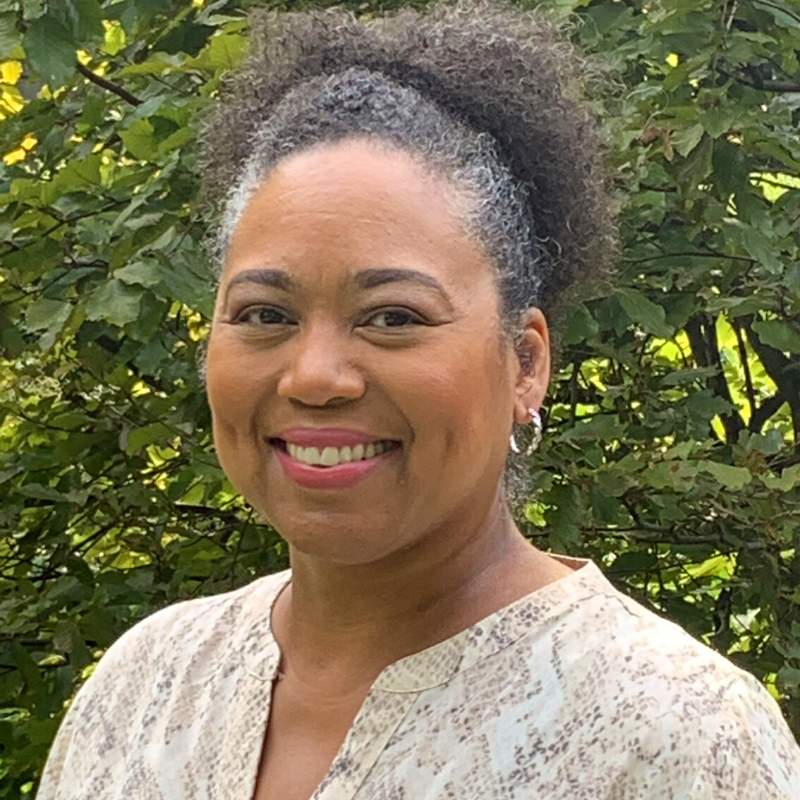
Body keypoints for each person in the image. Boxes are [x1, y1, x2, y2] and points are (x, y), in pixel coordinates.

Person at [37, 2, 800, 798]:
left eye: (394, 317)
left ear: (526, 363)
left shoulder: (674, 735)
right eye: (266, 315)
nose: (313, 376)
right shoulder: (145, 689)